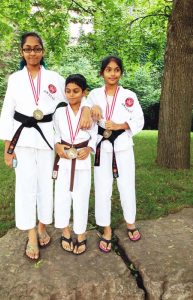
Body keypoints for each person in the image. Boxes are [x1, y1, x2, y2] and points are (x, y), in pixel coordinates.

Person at [0, 32, 92, 261]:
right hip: (23, 138)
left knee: (46, 184)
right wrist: (8, 148)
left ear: (43, 51)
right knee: (25, 185)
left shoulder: (54, 78)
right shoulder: (15, 79)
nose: (32, 53)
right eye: (28, 49)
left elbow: (75, 94)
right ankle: (30, 234)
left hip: (48, 138)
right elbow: (7, 112)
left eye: (37, 48)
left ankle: (42, 225)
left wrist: (87, 107)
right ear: (22, 52)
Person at [88, 55, 144, 253]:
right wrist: (91, 108)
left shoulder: (129, 96)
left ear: (121, 72)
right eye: (108, 69)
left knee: (127, 185)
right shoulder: (94, 94)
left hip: (123, 145)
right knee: (103, 188)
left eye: (116, 69)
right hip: (102, 146)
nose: (113, 73)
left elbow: (139, 119)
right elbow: (85, 115)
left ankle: (130, 222)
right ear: (102, 72)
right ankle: (107, 229)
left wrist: (120, 125)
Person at [53, 74, 97, 255]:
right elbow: (55, 132)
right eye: (68, 91)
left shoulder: (91, 112)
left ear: (84, 92)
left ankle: (80, 234)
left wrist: (90, 148)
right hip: (64, 158)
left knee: (81, 196)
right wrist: (57, 145)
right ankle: (65, 230)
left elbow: (96, 134)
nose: (71, 95)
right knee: (62, 197)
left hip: (81, 157)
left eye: (76, 91)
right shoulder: (59, 112)